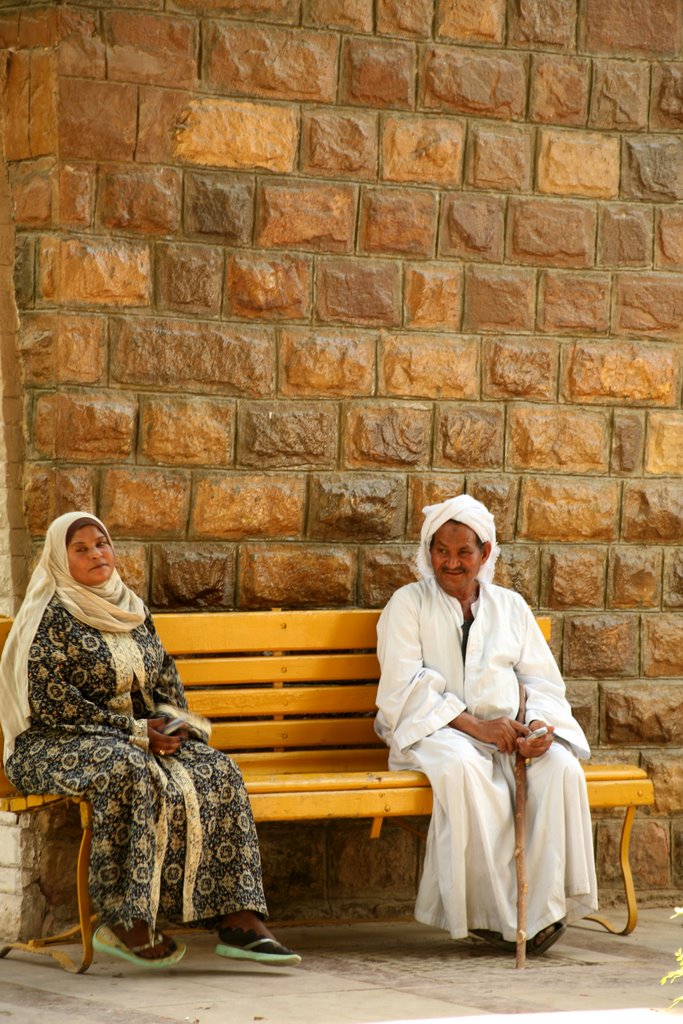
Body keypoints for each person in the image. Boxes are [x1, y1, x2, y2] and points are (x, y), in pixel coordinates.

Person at [0, 512, 300, 968]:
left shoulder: (131, 608)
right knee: (129, 770)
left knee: (217, 768)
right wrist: (138, 732)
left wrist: (173, 726)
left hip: (130, 740)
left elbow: (164, 684)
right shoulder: (50, 616)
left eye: (101, 543)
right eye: (80, 549)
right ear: (60, 560)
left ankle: (237, 917)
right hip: (48, 743)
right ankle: (123, 921)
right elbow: (51, 703)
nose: (96, 554)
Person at [375, 494, 597, 955]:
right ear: (428, 550)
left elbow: (541, 681)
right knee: (463, 769)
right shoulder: (407, 605)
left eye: (464, 552)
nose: (451, 563)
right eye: (441, 551)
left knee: (560, 769)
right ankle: (492, 917)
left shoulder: (511, 607)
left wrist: (535, 729)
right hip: (436, 733)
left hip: (506, 734)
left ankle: (542, 909)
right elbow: (404, 689)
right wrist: (477, 728)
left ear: (486, 553)